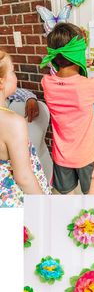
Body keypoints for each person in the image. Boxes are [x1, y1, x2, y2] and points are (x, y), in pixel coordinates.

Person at [40, 22, 94, 195]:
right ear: (78, 54)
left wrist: (75, 65)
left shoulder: (46, 83)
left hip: (61, 156)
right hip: (85, 156)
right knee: (90, 193)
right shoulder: (88, 85)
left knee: (68, 197)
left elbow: (60, 76)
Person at [0, 50, 51, 207]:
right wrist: (44, 204)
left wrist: (30, 97)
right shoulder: (13, 122)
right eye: (13, 71)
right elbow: (23, 178)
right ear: (1, 81)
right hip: (15, 200)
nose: (16, 76)